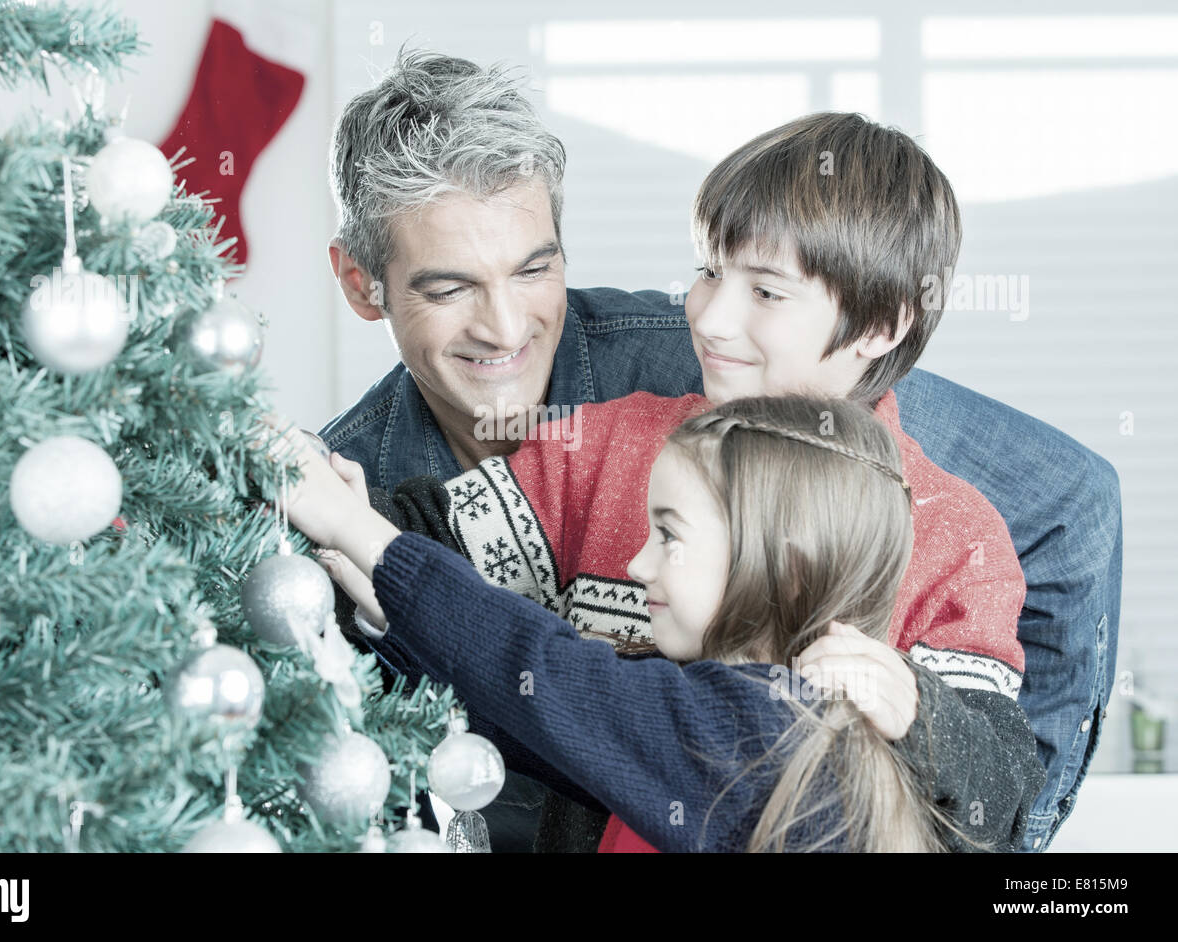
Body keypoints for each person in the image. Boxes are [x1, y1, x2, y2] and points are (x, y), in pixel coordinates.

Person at [316, 49, 1122, 852]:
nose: (706, 318)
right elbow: (432, 535)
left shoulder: (953, 531)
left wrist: (914, 704)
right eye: (707, 272)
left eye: (765, 292)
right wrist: (344, 511)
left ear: (882, 325)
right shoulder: (611, 438)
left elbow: (1000, 790)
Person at [278, 395, 1045, 851]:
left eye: (670, 536)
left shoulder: (769, 733)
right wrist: (375, 591)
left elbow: (549, 674)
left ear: (785, 566)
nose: (638, 565)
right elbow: (535, 719)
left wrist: (364, 533)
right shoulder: (732, 709)